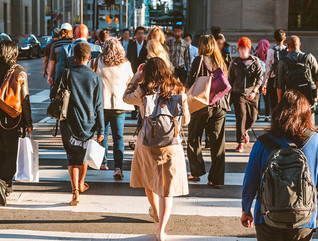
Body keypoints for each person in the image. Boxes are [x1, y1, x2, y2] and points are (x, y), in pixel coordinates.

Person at [123, 57, 190, 241]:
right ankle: (161, 231)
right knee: (166, 189)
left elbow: (126, 97)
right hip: (171, 144)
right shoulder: (178, 89)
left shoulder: (144, 90)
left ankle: (155, 211)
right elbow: (186, 120)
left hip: (147, 143)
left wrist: (136, 77)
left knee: (149, 180)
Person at [241, 90, 318, 241]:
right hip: (304, 219)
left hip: (267, 216)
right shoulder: (315, 142)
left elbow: (250, 181)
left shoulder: (263, 143)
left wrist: (246, 209)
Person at [51, 43, 104, 206]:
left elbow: (54, 93)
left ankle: (75, 191)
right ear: (89, 58)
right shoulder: (96, 78)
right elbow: (99, 106)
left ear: (74, 58)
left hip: (68, 122)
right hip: (88, 123)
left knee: (72, 157)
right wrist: (101, 128)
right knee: (83, 156)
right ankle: (81, 183)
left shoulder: (66, 73)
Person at [186, 35, 230, 188]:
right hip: (219, 105)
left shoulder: (199, 60)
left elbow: (190, 81)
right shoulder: (221, 61)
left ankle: (196, 171)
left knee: (194, 138)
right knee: (218, 143)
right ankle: (216, 179)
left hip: (201, 103)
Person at [91, 38, 134, 177]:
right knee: (118, 137)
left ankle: (102, 163)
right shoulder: (126, 64)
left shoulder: (97, 62)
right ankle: (118, 168)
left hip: (101, 104)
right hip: (119, 105)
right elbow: (131, 81)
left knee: (101, 135)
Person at [0, 40, 33, 206]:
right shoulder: (19, 71)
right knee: (11, 153)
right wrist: (29, 122)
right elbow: (25, 99)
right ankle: (4, 183)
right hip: (12, 120)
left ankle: (6, 185)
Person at [229, 37, 263, 153]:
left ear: (249, 48)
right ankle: (240, 142)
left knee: (253, 117)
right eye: (240, 48)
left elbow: (260, 77)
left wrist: (254, 90)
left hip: (252, 93)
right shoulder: (235, 63)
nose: (242, 50)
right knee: (241, 116)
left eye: (244, 48)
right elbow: (230, 79)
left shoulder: (255, 61)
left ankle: (245, 130)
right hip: (238, 93)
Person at [276, 35, 318, 105]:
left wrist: (280, 100)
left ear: (288, 46)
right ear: (300, 44)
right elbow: (317, 77)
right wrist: (316, 94)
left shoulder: (283, 62)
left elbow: (279, 84)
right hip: (308, 98)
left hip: (291, 98)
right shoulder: (309, 58)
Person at [263, 30, 287, 113]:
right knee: (284, 102)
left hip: (273, 80)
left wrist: (264, 84)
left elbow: (268, 68)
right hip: (284, 80)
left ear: (274, 39)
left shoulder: (271, 51)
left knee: (273, 102)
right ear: (284, 38)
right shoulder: (287, 50)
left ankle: (274, 121)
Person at [127, 26, 147, 120]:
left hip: (144, 71)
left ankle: (141, 110)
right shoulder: (131, 44)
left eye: (142, 33)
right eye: (138, 33)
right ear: (135, 35)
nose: (140, 35)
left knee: (142, 90)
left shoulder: (146, 45)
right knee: (134, 89)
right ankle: (134, 111)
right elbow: (129, 57)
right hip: (134, 69)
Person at [47, 23, 73, 87]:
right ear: (71, 32)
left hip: (58, 73)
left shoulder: (55, 44)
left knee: (58, 94)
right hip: (72, 74)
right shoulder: (73, 43)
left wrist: (49, 76)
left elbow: (52, 61)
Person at [255, 39, 270, 122]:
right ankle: (267, 116)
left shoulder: (256, 55)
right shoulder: (269, 54)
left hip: (258, 79)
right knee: (266, 98)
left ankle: (257, 114)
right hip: (266, 79)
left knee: (258, 97)